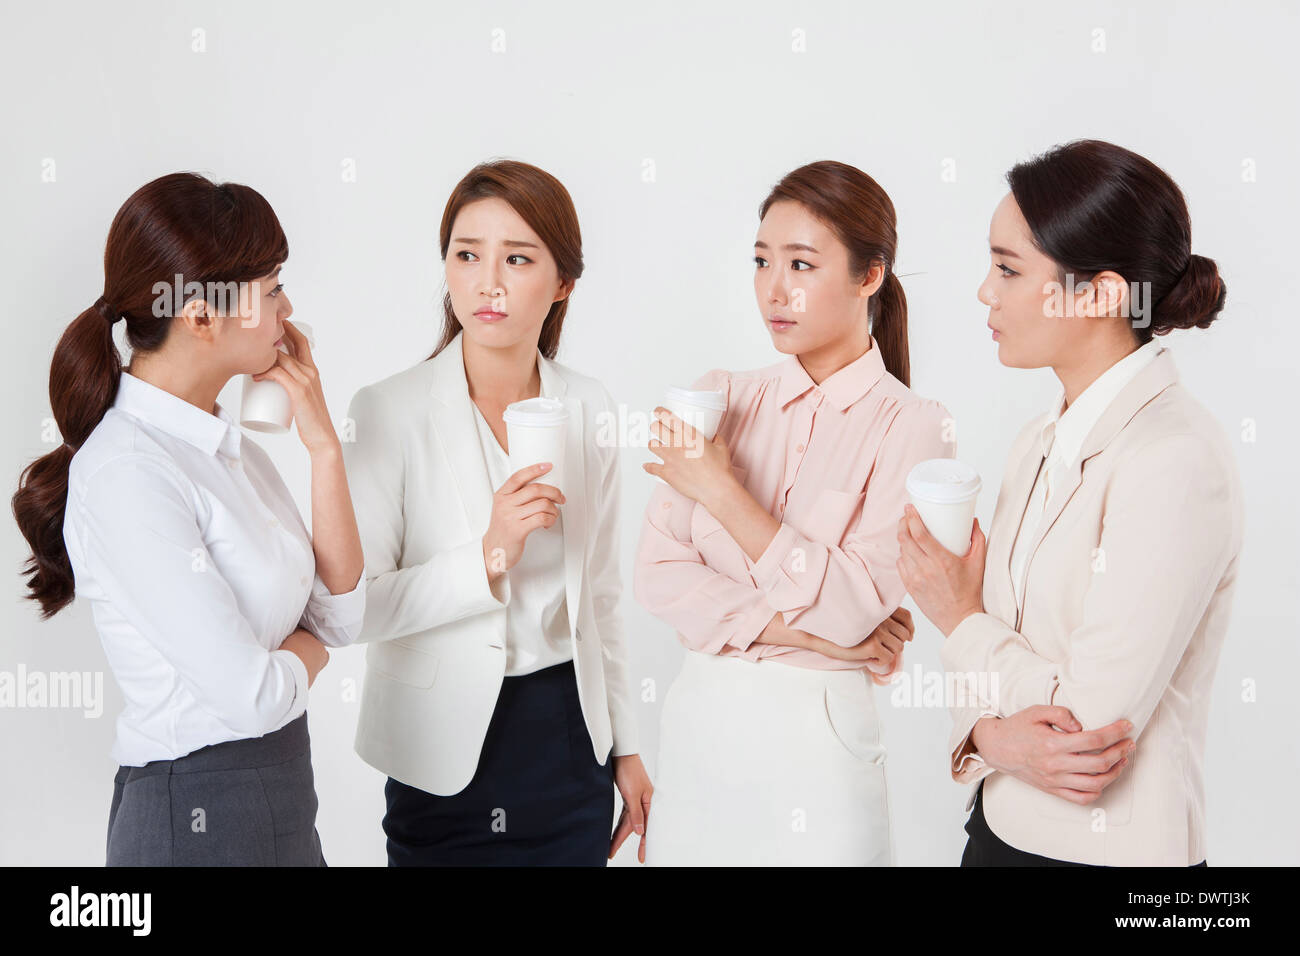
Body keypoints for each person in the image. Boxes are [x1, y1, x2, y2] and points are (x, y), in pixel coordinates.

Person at [898, 139, 1243, 867]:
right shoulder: (1038, 438)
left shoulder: (1174, 457)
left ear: (1103, 293)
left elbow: (1085, 725)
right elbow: (1003, 683)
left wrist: (958, 622)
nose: (984, 292)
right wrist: (991, 736)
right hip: (997, 830)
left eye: (1007, 268)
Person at [12, 172, 366, 866]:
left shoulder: (227, 448)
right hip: (198, 815)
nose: (288, 309)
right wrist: (312, 646)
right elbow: (255, 696)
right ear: (201, 316)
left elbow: (346, 613)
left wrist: (323, 446)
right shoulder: (127, 472)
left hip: (282, 802)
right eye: (270, 291)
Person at [634, 160, 951, 865]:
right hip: (699, 734)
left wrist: (720, 492)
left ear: (870, 276)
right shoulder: (715, 395)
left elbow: (857, 610)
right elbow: (656, 577)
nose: (774, 290)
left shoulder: (913, 426)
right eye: (761, 261)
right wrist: (817, 638)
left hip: (819, 747)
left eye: (802, 264)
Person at [344, 160, 652, 866]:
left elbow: (601, 595)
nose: (488, 281)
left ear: (563, 283)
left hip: (569, 741)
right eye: (467, 255)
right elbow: (357, 610)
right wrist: (491, 550)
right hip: (441, 749)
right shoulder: (386, 411)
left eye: (518, 258)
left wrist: (626, 747)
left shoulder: (590, 406)